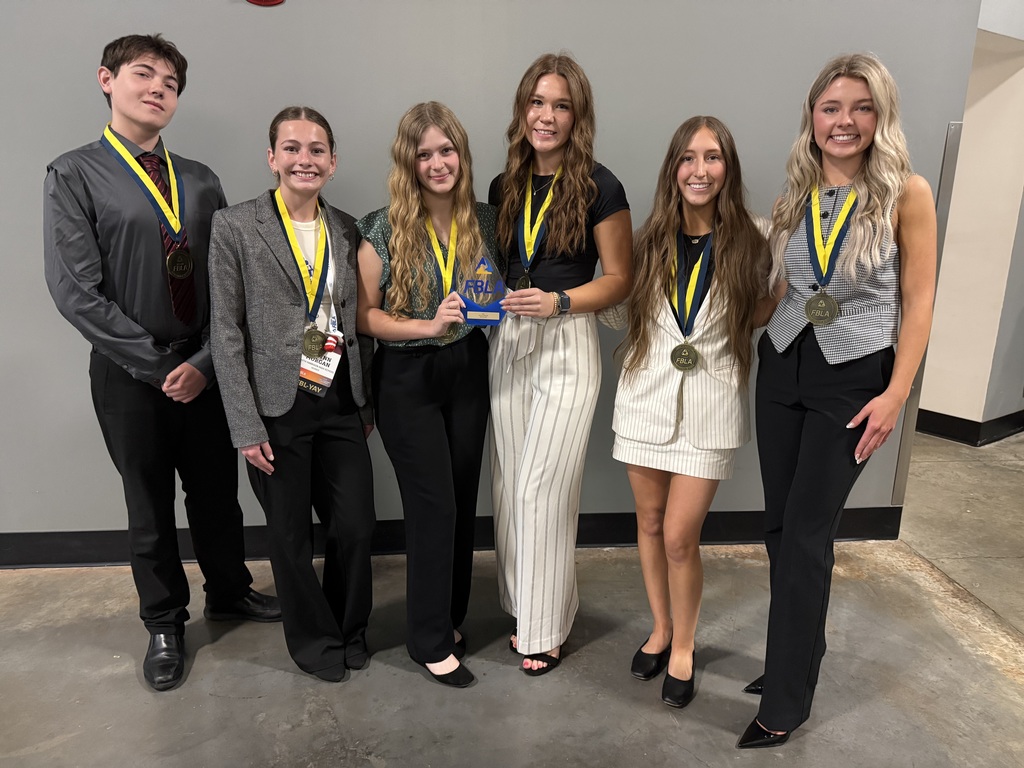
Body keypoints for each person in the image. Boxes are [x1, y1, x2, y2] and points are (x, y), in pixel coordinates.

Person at [43, 34, 280, 693]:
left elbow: (227, 279)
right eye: (144, 74)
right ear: (106, 80)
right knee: (147, 503)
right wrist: (155, 365)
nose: (158, 88)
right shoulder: (73, 174)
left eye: (171, 82)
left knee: (215, 496)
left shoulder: (200, 180)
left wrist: (205, 361)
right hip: (130, 376)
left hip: (204, 369)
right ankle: (164, 621)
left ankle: (230, 590)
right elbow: (75, 291)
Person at [739, 53, 937, 749]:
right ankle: (796, 659)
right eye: (830, 108)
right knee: (778, 529)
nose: (843, 121)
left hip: (855, 380)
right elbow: (779, 295)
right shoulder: (797, 193)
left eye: (859, 107)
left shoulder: (907, 192)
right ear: (812, 119)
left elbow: (919, 302)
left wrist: (896, 395)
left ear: (879, 117)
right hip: (785, 367)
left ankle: (786, 702)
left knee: (807, 537)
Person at [209, 106, 376, 683]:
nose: (305, 159)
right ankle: (314, 641)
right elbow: (225, 331)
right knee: (288, 536)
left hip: (339, 397)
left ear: (333, 163)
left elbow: (357, 320)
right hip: (274, 407)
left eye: (317, 149)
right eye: (292, 147)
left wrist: (366, 401)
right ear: (272, 157)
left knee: (354, 525)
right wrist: (244, 425)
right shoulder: (235, 226)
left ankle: (351, 627)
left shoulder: (349, 228)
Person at [611, 117, 771, 708]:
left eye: (711, 157)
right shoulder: (648, 238)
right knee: (649, 525)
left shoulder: (754, 239)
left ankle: (685, 646)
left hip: (708, 409)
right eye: (686, 158)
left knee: (680, 537)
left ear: (727, 167)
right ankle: (661, 629)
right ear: (672, 169)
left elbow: (757, 315)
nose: (698, 170)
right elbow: (618, 312)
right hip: (644, 404)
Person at [489, 53, 632, 675]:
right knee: (510, 485)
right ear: (523, 110)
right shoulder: (503, 186)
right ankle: (526, 608)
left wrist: (561, 300)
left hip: (568, 341)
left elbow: (621, 280)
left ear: (579, 115)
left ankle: (546, 628)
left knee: (544, 489)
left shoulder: (602, 186)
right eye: (538, 103)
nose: (547, 116)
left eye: (561, 105)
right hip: (508, 342)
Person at [356, 102, 495, 688]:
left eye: (447, 150)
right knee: (433, 505)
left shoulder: (486, 219)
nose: (438, 163)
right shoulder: (381, 227)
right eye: (425, 153)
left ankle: (450, 618)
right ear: (408, 162)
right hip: (408, 378)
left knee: (462, 501)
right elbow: (365, 317)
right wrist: (425, 327)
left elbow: (498, 288)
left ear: (461, 154)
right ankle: (428, 640)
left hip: (469, 370)